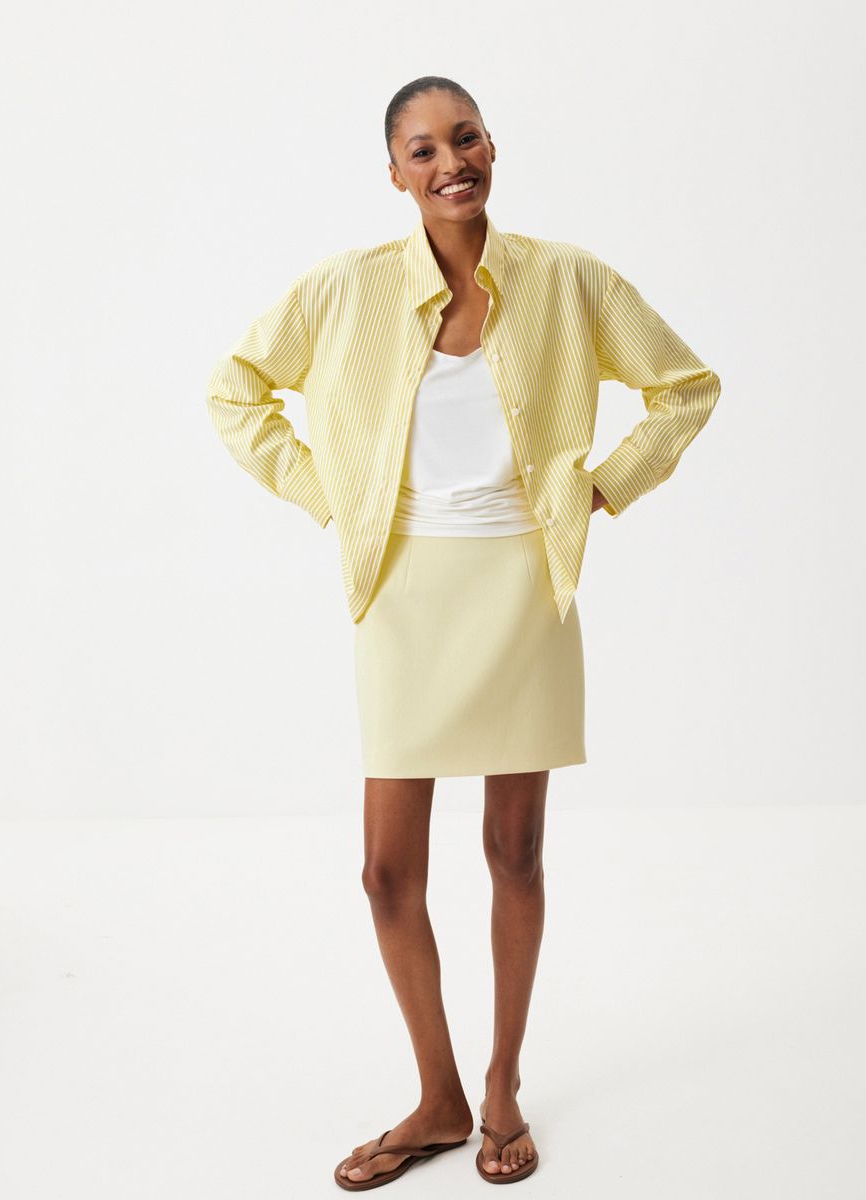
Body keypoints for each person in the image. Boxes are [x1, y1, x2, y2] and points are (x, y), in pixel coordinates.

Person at [206, 77, 720, 1189]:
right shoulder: (344, 289)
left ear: (493, 147)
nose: (452, 162)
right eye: (424, 149)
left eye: (467, 137)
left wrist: (601, 488)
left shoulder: (568, 279)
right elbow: (235, 392)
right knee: (386, 871)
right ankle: (436, 1097)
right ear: (394, 172)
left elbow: (686, 386)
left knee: (513, 853)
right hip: (401, 595)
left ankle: (499, 1088)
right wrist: (330, 495)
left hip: (524, 591)